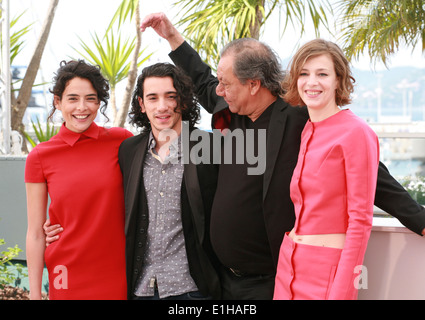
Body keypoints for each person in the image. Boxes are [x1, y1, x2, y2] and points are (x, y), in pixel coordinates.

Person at [139, 12, 425, 300]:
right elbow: (202, 80)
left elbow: (371, 174)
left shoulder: (300, 120)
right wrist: (172, 36)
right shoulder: (231, 107)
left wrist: (420, 221)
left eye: (226, 83)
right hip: (222, 279)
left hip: (270, 280)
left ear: (253, 84)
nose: (220, 90)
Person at [273, 39, 379, 300]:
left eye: (322, 74)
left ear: (338, 80)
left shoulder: (356, 133)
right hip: (288, 269)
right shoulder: (307, 130)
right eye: (304, 74)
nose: (312, 82)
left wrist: (343, 290)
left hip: (326, 275)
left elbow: (361, 221)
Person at [25, 60, 133, 300]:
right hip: (66, 273)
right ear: (58, 101)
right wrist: (34, 295)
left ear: (99, 102)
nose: (82, 108)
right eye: (72, 98)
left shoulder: (121, 141)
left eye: (91, 99)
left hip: (116, 272)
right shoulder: (40, 156)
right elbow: (34, 232)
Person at [118, 62, 221, 300]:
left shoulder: (211, 147)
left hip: (192, 289)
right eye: (152, 98)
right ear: (142, 105)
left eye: (170, 96)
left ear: (183, 101)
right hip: (141, 288)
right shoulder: (129, 150)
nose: (162, 106)